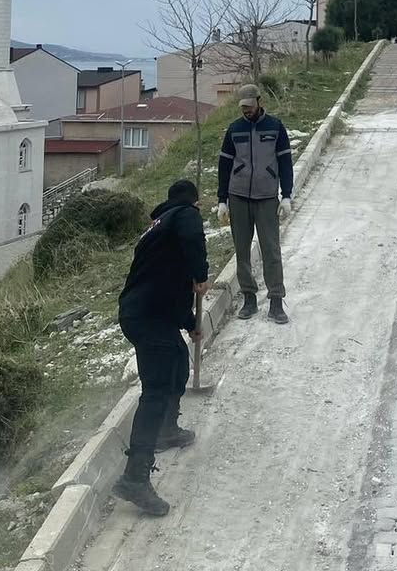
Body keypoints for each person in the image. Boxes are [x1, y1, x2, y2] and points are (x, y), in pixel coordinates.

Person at [113, 179, 210, 516]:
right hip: (149, 316)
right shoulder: (185, 215)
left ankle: (167, 430)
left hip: (145, 312)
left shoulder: (156, 228)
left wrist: (189, 323)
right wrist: (201, 273)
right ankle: (135, 477)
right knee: (155, 391)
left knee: (179, 363)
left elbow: (164, 282)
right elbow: (193, 240)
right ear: (194, 203)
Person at [216, 83, 295, 324]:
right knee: (241, 251)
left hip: (266, 197)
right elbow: (224, 166)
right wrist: (222, 200)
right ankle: (249, 298)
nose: (246, 111)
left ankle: (276, 301)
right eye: (242, 107)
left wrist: (287, 195)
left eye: (249, 107)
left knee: (271, 250)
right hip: (238, 196)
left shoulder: (275, 127)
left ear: (259, 102)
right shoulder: (234, 129)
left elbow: (284, 162)